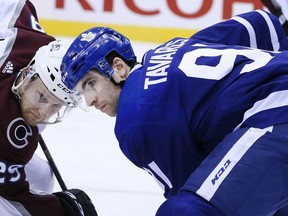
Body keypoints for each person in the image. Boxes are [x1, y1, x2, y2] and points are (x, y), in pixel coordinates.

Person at [60, 6, 288, 216]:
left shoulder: (135, 120)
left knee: (183, 211)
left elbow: (192, 187)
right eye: (82, 92)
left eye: (90, 83)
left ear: (118, 68)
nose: (89, 100)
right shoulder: (174, 47)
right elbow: (262, 24)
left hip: (275, 114)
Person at [0, 0, 97, 215]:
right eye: (42, 97)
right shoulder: (8, 127)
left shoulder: (39, 47)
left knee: (43, 176)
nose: (43, 112)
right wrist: (63, 209)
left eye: (56, 105)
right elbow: (14, 197)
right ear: (25, 77)